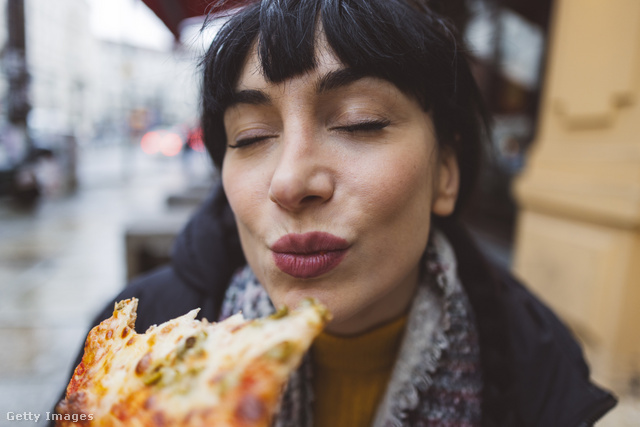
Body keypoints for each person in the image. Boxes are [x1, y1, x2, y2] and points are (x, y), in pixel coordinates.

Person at [53, 0, 617, 425]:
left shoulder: (538, 375)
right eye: (251, 137)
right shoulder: (133, 351)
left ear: (446, 172)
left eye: (360, 122)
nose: (291, 181)